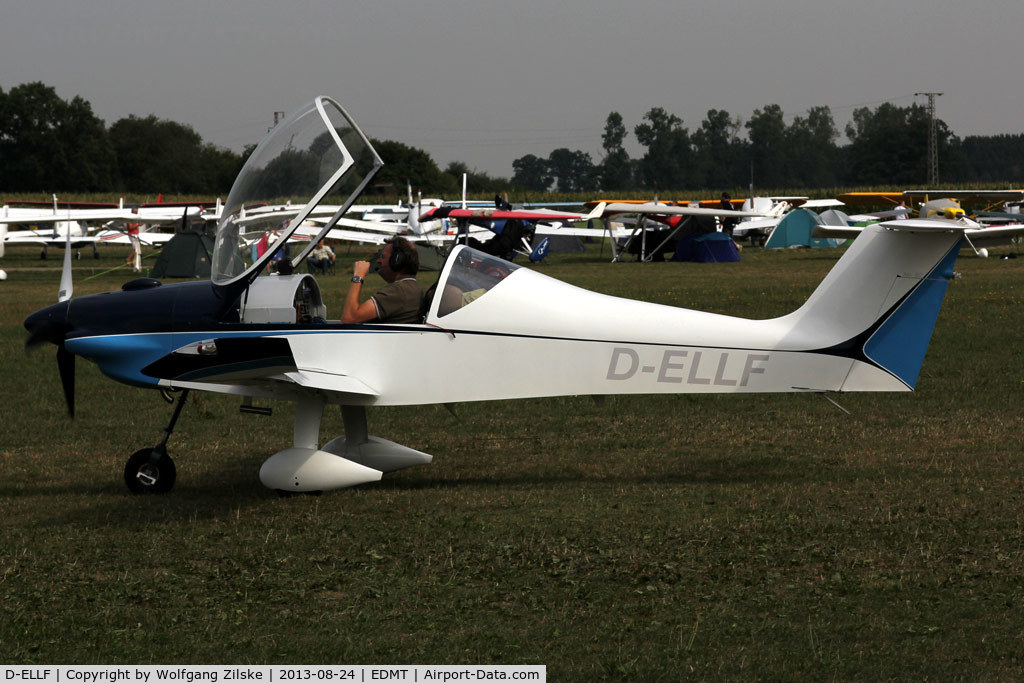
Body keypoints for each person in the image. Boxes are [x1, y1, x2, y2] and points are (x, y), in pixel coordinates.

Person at [341, 237, 422, 324]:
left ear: (396, 262)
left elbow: (349, 317)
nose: (379, 261)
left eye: (383, 257)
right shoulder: (411, 287)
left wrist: (358, 276)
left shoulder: (399, 291)